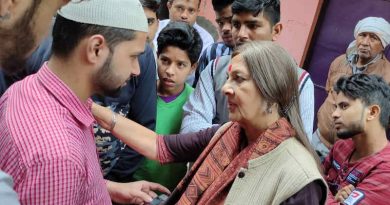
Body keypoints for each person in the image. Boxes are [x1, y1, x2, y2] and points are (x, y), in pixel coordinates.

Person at [93, 41, 327, 205]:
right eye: (228, 78)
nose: (225, 88)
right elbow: (159, 146)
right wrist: (92, 109)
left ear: (271, 89)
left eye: (239, 79)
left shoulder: (300, 179)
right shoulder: (228, 133)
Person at [0, 0, 169, 204]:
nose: (137, 70)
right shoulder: (59, 159)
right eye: (133, 56)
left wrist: (107, 188)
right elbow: (57, 170)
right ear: (96, 49)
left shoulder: (25, 89)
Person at [180, 0, 315, 143]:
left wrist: (220, 136)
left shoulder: (298, 82)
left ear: (276, 30)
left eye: (252, 25)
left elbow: (297, 147)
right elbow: (191, 127)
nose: (241, 34)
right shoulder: (215, 68)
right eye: (236, 25)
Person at [133, 21, 202, 191]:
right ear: (156, 56)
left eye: (180, 64)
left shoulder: (195, 102)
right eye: (165, 60)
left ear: (193, 67)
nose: (170, 71)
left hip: (169, 191)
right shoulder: (142, 92)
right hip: (133, 183)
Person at [314, 17, 390, 158]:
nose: (365, 42)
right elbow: (329, 92)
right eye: (362, 35)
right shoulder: (339, 61)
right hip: (319, 138)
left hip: (349, 151)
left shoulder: (387, 76)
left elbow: (384, 120)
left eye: (373, 38)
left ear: (383, 45)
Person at [323, 74, 390, 204]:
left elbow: (313, 185)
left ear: (372, 112)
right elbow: (315, 178)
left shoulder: (386, 170)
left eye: (344, 106)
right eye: (336, 107)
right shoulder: (341, 146)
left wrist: (322, 191)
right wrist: (334, 200)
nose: (334, 114)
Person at [192, 0, 234, 87]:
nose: (225, 28)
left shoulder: (265, 56)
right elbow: (199, 95)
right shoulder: (211, 53)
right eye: (220, 23)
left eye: (232, 21)